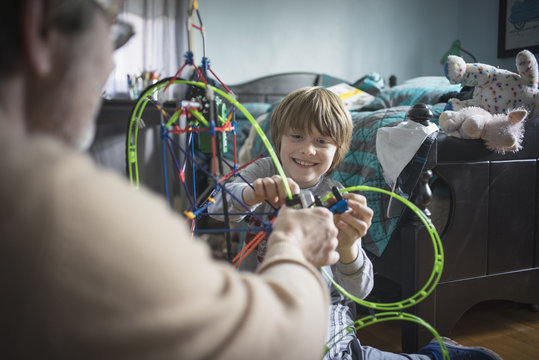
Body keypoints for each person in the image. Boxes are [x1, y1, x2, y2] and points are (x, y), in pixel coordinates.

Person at [0, 1, 345, 359]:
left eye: (323, 141)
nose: (111, 66)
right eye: (114, 37)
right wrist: (293, 243)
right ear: (40, 29)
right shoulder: (62, 210)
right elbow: (277, 343)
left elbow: (356, 281)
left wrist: (347, 252)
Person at [209, 87, 503, 360]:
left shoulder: (336, 198)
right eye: (296, 136)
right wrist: (252, 193)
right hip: (263, 303)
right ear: (279, 139)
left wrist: (348, 247)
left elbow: (359, 290)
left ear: (337, 151)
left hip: (321, 309)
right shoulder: (264, 169)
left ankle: (435, 354)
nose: (308, 150)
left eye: (322, 141)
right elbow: (217, 208)